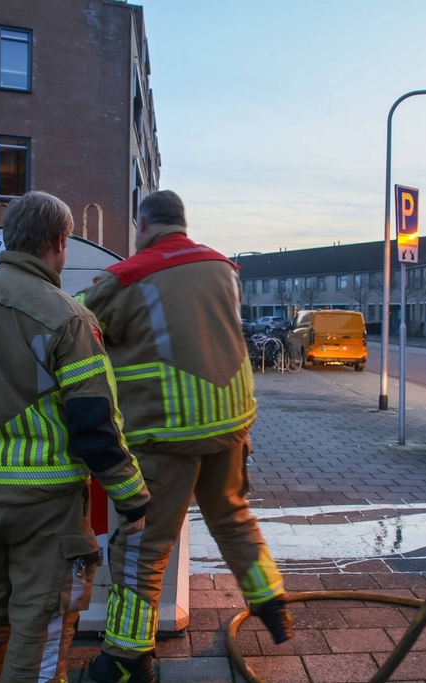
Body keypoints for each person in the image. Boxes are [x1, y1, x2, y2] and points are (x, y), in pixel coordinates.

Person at [0, 190, 150, 683]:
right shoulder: (69, 318)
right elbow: (94, 422)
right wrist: (132, 498)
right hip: (47, 508)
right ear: (59, 242)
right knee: (41, 623)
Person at [80, 190, 293, 683]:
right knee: (232, 517)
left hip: (166, 431)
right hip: (231, 423)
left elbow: (70, 327)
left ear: (142, 224)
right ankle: (270, 599)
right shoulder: (223, 268)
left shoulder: (126, 276)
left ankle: (127, 660)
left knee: (143, 546)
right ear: (183, 222)